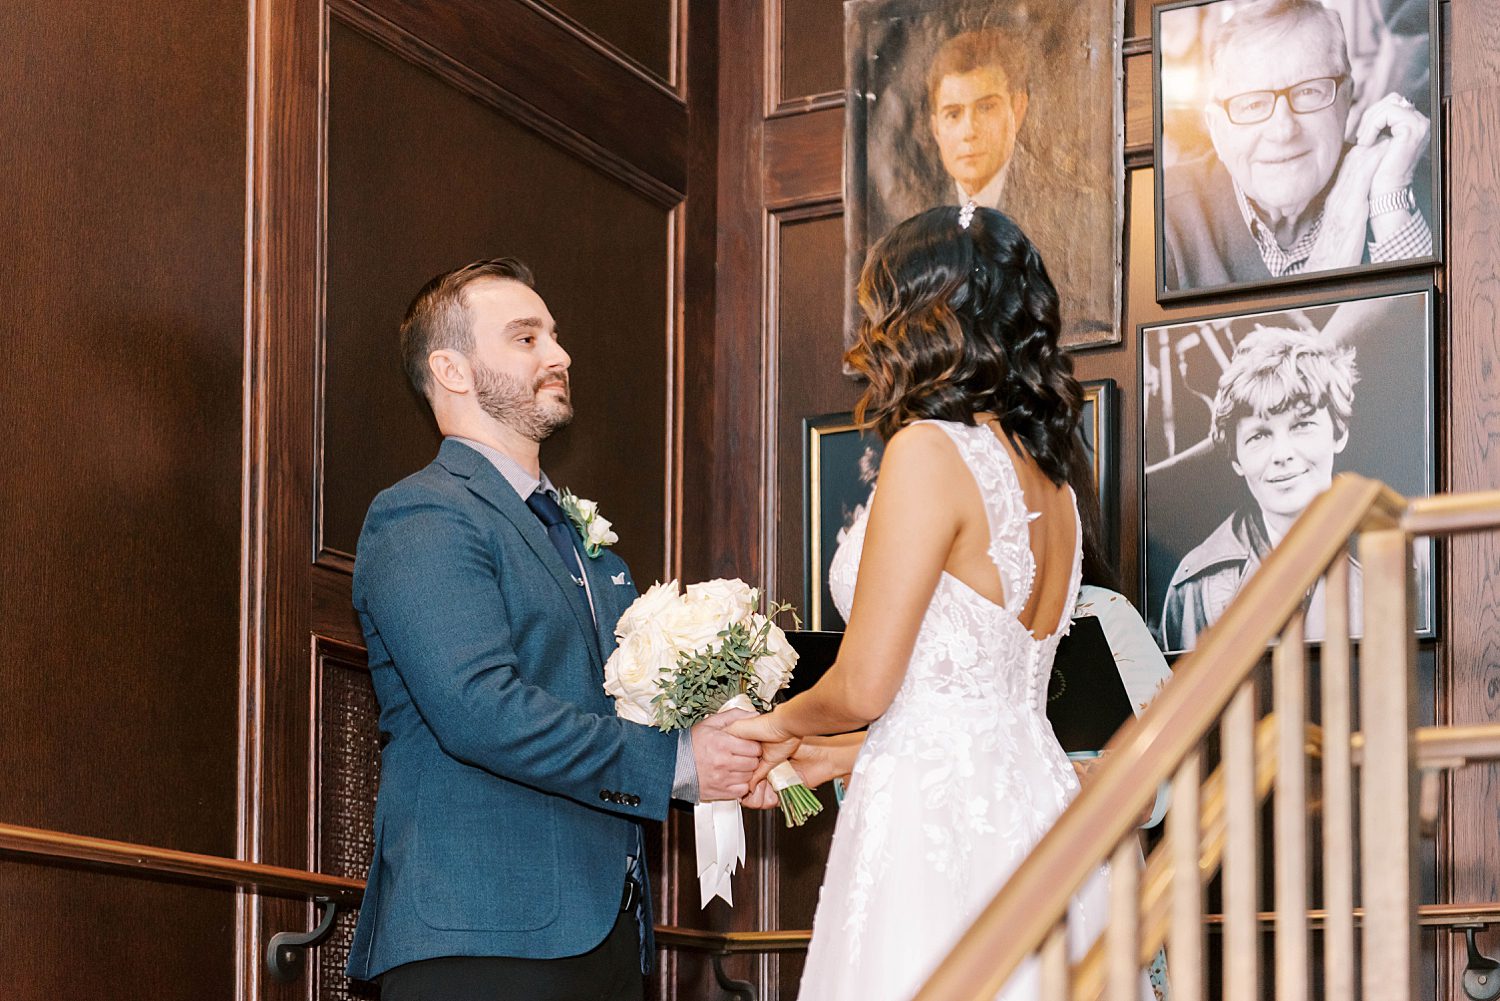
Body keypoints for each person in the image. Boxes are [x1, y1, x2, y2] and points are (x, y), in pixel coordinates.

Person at [731, 205, 1149, 1000]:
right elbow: (980, 710)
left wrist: (774, 724)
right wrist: (833, 755)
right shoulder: (1054, 483)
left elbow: (866, 685)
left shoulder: (929, 450)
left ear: (919, 316)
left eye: (876, 308)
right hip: (1040, 803)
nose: (867, 333)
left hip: (937, 826)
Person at [344, 258, 761, 999]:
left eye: (555, 336)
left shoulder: (582, 540)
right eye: (526, 337)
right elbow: (479, 709)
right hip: (483, 934)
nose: (559, 354)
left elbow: (613, 707)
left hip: (604, 933)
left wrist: (724, 743)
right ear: (453, 368)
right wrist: (677, 765)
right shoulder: (424, 513)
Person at [1161, 0, 1432, 292]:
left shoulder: (1413, 185)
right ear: (1216, 127)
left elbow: (1430, 324)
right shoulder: (1164, 218)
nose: (1283, 131)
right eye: (1252, 104)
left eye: (1308, 92)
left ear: (1346, 98)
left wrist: (1390, 201)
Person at [1160, 326, 1363, 651]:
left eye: (1302, 425)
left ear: (1338, 433)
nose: (1282, 454)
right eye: (1259, 436)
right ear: (1236, 458)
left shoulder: (1408, 558)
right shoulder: (1195, 585)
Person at [926, 28, 1030, 210]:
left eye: (985, 108)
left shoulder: (1067, 208)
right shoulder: (918, 212)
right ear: (936, 130)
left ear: (1017, 111)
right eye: (953, 114)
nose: (969, 131)